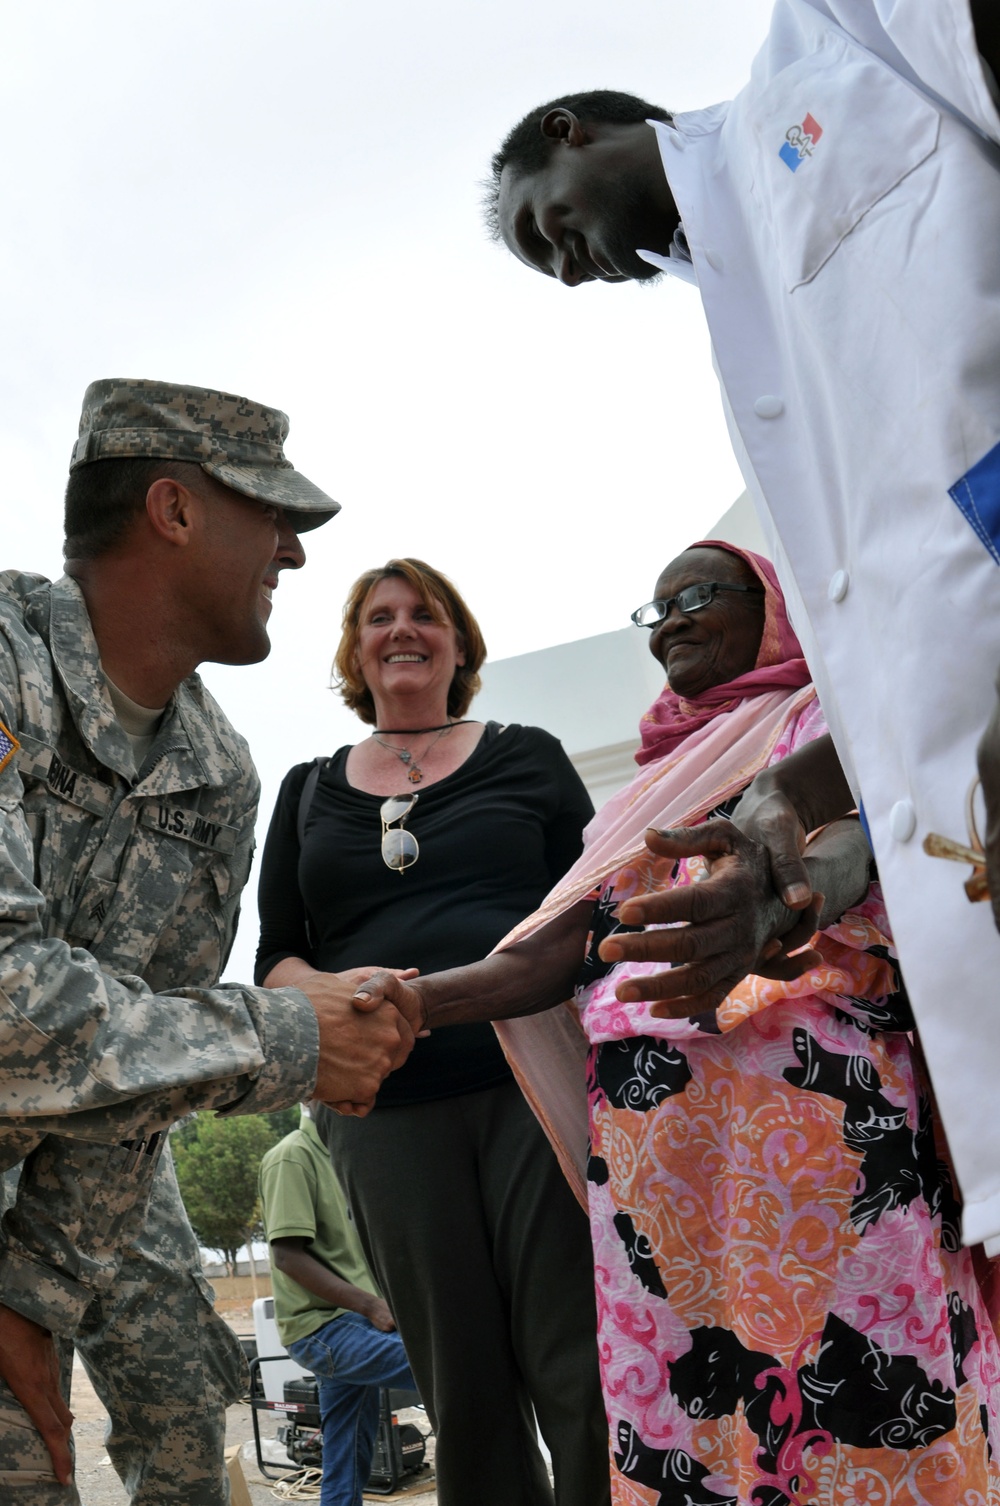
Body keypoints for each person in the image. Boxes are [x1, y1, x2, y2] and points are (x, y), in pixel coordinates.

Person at [483, 2, 1000, 1257]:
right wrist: (798, 813)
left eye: (540, 225)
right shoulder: (745, 350)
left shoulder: (829, 42)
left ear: (574, 131)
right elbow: (898, 625)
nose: (564, 268)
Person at [354, 542, 1000, 1505]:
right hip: (660, 1171)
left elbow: (907, 862)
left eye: (702, 595)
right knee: (702, 1416)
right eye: (657, 610)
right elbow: (551, 951)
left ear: (774, 607)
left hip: (819, 1134)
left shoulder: (837, 726)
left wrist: (791, 893)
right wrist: (413, 1002)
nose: (674, 622)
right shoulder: (646, 788)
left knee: (863, 1392)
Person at [0, 379, 419, 1504]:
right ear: (173, 511)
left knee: (187, 1391)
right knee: (21, 1459)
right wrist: (289, 1036)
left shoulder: (215, 767)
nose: (289, 553)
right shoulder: (7, 665)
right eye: (270, 515)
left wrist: (30, 1297)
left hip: (82, 1168)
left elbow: (138, 1084)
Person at [255, 558, 611, 1506]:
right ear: (354, 649)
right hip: (385, 1115)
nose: (401, 629)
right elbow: (278, 959)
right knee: (463, 1389)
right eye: (378, 617)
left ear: (459, 643)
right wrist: (341, 992)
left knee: (580, 1367)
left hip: (531, 1088)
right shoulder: (303, 791)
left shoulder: (526, 754)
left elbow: (592, 912)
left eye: (425, 614)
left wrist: (445, 992)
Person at [259, 1102, 416, 1506]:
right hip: (323, 1327)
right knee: (450, 1371)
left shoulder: (347, 1152)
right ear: (313, 1098)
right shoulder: (291, 1156)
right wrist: (372, 1306)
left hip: (353, 1321)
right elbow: (287, 1256)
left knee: (346, 1461)